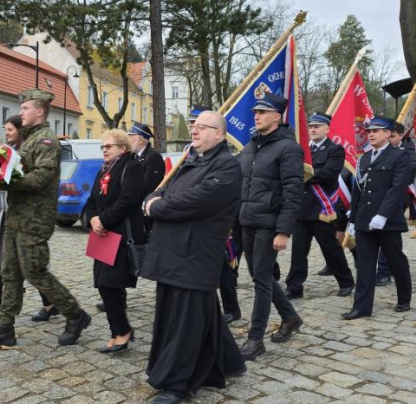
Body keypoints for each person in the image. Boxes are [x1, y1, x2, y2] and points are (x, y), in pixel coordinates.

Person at [0, 89, 91, 350]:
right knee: (10, 272)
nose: (21, 113)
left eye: (25, 108)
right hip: (17, 215)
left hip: (35, 219)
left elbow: (41, 178)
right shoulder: (27, 140)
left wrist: (6, 182)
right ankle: (5, 328)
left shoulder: (47, 141)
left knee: (34, 271)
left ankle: (75, 315)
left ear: (39, 111)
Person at [142, 110, 245, 404]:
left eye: (203, 127)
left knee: (186, 320)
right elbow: (160, 191)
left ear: (220, 134)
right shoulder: (191, 161)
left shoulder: (226, 166)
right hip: (173, 251)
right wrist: (154, 200)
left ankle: (177, 384)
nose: (195, 131)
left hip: (194, 253)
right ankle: (232, 361)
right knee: (197, 310)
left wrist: (156, 207)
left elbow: (193, 201)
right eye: (194, 127)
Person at [0, 115, 59, 327]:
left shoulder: (28, 153)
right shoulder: (11, 152)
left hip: (26, 218)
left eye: (10, 129)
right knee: (9, 263)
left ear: (21, 130)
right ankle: (45, 304)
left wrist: (5, 182)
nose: (7, 132)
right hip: (9, 214)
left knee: (23, 264)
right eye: (5, 128)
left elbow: (32, 182)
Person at [237, 93, 304, 360]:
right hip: (247, 220)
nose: (257, 116)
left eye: (263, 112)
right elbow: (241, 185)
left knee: (262, 281)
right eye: (255, 111)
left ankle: (255, 339)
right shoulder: (250, 145)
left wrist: (283, 230)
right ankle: (290, 317)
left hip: (269, 223)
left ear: (277, 116)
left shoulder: (288, 148)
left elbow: (293, 191)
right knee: (260, 276)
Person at [342, 116, 413, 320]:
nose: (370, 134)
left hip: (388, 221)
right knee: (364, 263)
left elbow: (397, 189)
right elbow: (359, 191)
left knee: (395, 259)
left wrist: (382, 215)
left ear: (388, 133)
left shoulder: (399, 157)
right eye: (369, 131)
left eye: (376, 130)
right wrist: (353, 219)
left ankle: (404, 297)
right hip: (364, 219)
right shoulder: (364, 158)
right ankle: (362, 307)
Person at [85, 130, 145, 354]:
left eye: (109, 146)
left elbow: (128, 200)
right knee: (104, 284)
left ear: (123, 148)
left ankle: (122, 331)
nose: (105, 150)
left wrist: (103, 219)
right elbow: (92, 199)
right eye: (103, 146)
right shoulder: (103, 170)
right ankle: (117, 332)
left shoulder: (132, 168)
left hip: (121, 235)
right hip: (103, 235)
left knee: (111, 284)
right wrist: (92, 218)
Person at [285, 113, 355, 298]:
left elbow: (328, 174)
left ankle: (346, 281)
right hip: (302, 207)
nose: (313, 130)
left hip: (321, 208)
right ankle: (294, 287)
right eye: (311, 127)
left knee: (330, 248)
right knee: (298, 251)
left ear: (327, 128)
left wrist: (301, 176)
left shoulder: (335, 149)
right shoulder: (303, 150)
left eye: (317, 126)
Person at [375, 122, 416, 286]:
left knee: (387, 233)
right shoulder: (381, 150)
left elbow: (410, 171)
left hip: (400, 197)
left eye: (393, 136)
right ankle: (395, 266)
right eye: (388, 135)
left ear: (401, 135)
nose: (390, 139)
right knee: (393, 235)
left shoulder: (407, 151)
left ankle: (384, 271)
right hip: (381, 196)